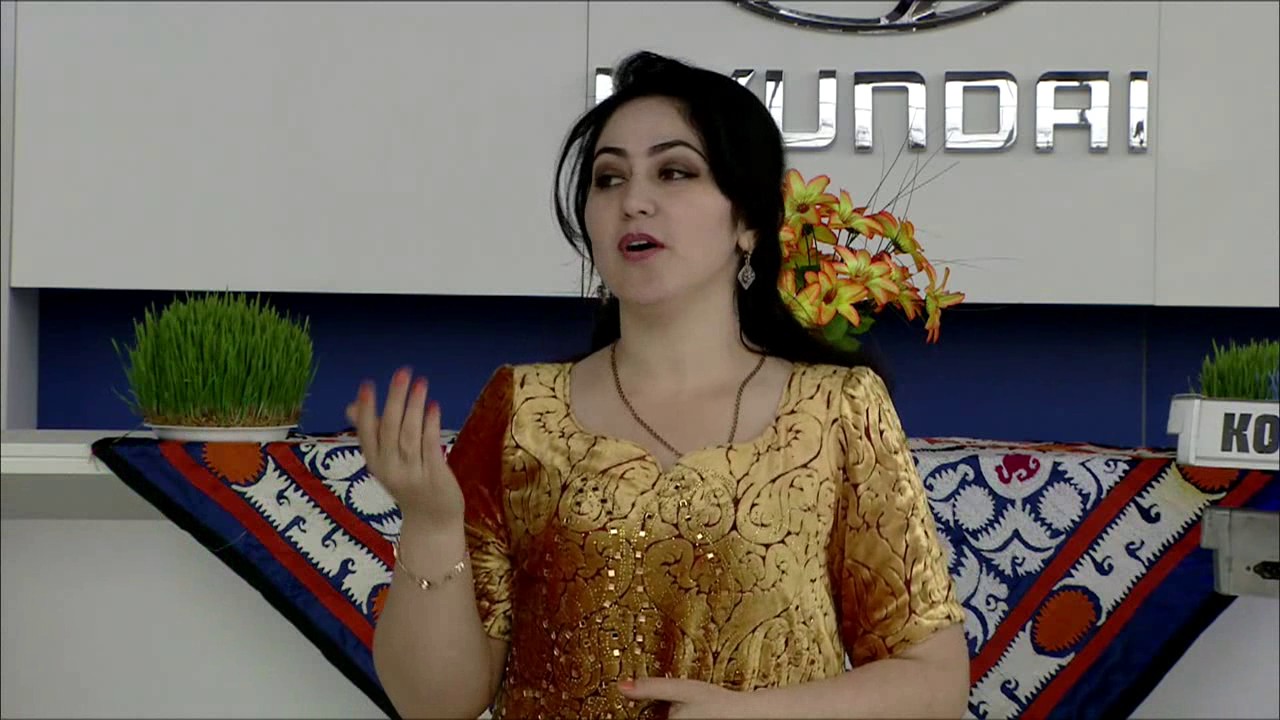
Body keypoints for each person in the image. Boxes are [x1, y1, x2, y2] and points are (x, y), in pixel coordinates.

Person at [346, 51, 970, 720]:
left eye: (675, 172)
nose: (634, 201)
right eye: (609, 178)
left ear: (747, 222)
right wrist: (431, 524)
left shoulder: (837, 409)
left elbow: (933, 681)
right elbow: (435, 704)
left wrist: (754, 715)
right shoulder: (523, 411)